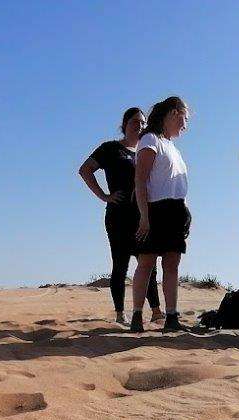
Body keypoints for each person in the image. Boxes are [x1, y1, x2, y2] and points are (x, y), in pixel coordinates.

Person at [79, 107, 163, 325]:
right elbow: (85, 170)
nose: (140, 126)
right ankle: (120, 313)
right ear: (124, 124)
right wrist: (104, 196)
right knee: (120, 264)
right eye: (135, 121)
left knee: (148, 263)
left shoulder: (148, 150)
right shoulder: (110, 148)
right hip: (118, 215)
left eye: (143, 123)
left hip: (144, 215)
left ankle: (156, 311)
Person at [131, 96, 191, 333]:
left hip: (176, 211)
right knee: (146, 262)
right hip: (156, 208)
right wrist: (144, 216)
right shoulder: (150, 139)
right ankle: (137, 315)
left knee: (172, 264)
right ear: (174, 113)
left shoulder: (173, 147)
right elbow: (140, 180)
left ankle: (172, 316)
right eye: (183, 119)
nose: (184, 126)